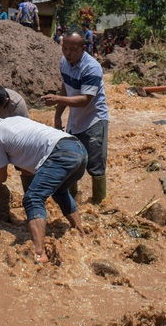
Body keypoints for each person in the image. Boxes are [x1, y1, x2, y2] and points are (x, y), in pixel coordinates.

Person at [0, 103, 86, 264]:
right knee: (60, 191)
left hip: (60, 155)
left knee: (33, 198)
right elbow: (16, 149)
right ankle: (81, 233)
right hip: (78, 149)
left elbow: (0, 177)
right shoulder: (14, 120)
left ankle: (39, 254)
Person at [41, 32, 110, 204]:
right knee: (71, 160)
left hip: (94, 119)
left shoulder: (92, 67)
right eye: (65, 48)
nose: (68, 53)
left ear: (83, 48)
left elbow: (85, 100)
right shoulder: (64, 62)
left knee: (95, 165)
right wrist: (58, 116)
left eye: (73, 49)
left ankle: (99, 204)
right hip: (75, 119)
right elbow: (65, 88)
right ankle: (72, 201)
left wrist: (57, 99)